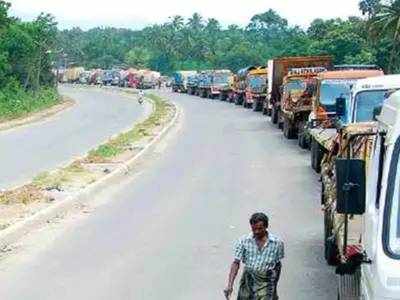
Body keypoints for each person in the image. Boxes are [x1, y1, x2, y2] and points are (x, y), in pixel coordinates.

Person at [224, 212, 284, 300]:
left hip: (266, 281)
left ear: (266, 227)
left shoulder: (277, 243)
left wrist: (274, 285)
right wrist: (230, 285)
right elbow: (236, 263)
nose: (257, 232)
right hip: (248, 280)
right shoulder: (243, 241)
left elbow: (278, 265)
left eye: (260, 228)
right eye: (254, 229)